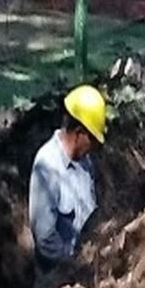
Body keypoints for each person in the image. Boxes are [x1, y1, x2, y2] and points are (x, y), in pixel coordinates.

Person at [28, 85, 107, 272]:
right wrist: (74, 263)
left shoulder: (84, 161)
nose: (94, 146)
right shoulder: (47, 168)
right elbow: (45, 238)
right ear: (79, 132)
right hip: (58, 276)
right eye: (93, 139)